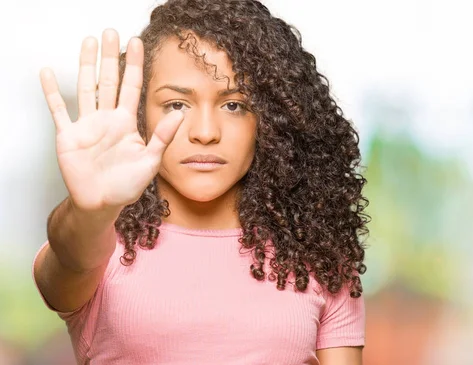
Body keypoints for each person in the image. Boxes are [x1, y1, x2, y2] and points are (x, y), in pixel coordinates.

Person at [32, 0, 369, 364]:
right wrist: (91, 212)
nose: (205, 133)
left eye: (234, 105)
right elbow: (69, 261)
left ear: (271, 120)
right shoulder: (101, 242)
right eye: (176, 104)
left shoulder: (318, 256)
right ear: (142, 113)